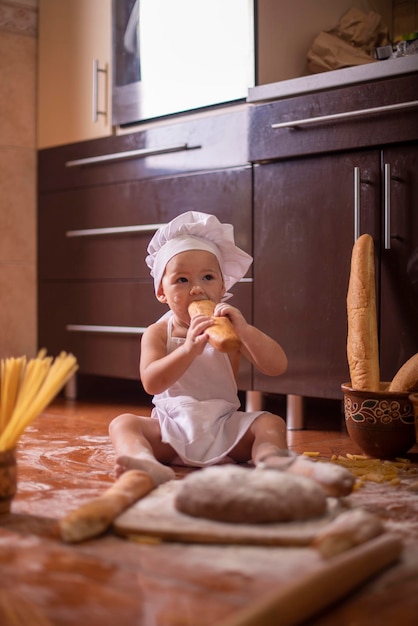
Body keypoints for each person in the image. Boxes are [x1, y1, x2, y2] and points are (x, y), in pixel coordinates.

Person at [109, 212, 354, 496]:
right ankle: (142, 461)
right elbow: (152, 382)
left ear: (223, 286)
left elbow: (277, 366)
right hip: (171, 428)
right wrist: (188, 349)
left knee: (270, 422)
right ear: (161, 292)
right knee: (123, 424)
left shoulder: (229, 326)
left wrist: (246, 331)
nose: (197, 288)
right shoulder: (158, 332)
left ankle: (272, 460)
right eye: (182, 280)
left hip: (224, 425)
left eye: (208, 277)